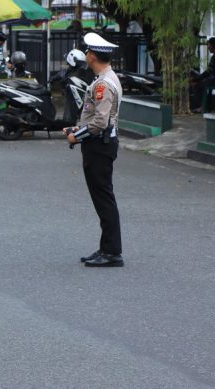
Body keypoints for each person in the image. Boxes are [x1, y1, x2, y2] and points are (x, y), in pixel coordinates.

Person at [64, 32, 124, 268]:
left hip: (100, 146)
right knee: (102, 198)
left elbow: (100, 123)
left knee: (104, 199)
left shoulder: (103, 84)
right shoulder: (107, 78)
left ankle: (112, 252)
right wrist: (75, 128)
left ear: (91, 56)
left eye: (88, 51)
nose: (86, 54)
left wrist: (75, 136)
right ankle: (107, 247)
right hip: (100, 145)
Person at [190, 37, 215, 113]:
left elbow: (208, 72)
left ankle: (201, 107)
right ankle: (203, 106)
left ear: (212, 45)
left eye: (208, 45)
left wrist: (195, 79)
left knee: (197, 85)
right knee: (200, 80)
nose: (208, 47)